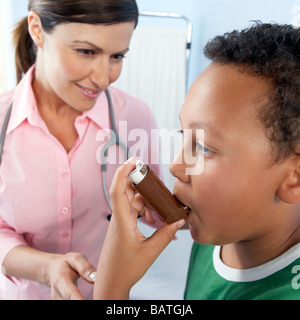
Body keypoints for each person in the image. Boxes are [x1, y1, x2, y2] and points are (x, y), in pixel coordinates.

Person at [93, 22, 300, 300]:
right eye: (183, 135)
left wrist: (112, 288)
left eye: (203, 147)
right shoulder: (218, 230)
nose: (176, 166)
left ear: (295, 176)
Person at [0, 0, 162, 300]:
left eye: (117, 56)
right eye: (86, 51)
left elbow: (155, 210)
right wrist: (47, 268)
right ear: (37, 29)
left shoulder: (136, 118)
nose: (103, 78)